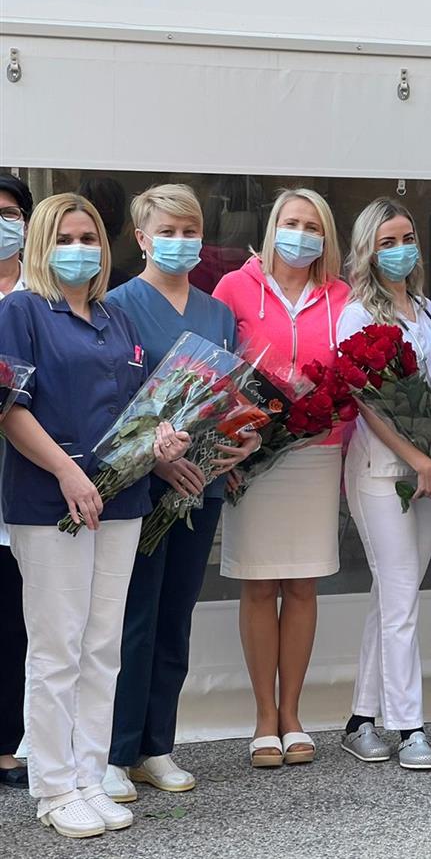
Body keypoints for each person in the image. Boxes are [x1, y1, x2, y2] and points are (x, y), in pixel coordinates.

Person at [0, 193, 188, 838]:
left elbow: (140, 406)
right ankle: (54, 788)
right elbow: (10, 409)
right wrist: (66, 471)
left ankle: (88, 776)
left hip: (122, 500)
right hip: (50, 502)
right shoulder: (21, 312)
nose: (79, 250)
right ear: (41, 245)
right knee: (57, 648)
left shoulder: (116, 317)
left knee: (102, 645)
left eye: (88, 239)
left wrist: (162, 439)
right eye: (65, 238)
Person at [102, 185, 255, 802]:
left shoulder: (216, 313)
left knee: (175, 616)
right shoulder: (116, 306)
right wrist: (157, 462)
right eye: (167, 231)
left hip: (200, 486)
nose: (180, 241)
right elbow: (114, 402)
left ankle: (156, 746)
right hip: (143, 488)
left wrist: (240, 442)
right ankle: (115, 751)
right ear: (142, 239)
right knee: (134, 618)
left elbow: (227, 395)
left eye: (190, 231)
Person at [212, 188, 350, 767]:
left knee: (301, 586)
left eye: (313, 226)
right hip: (249, 456)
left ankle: (292, 714)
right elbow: (212, 371)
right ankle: (263, 717)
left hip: (317, 454)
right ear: (273, 228)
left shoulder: (342, 295)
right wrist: (224, 446)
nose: (301, 235)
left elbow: (354, 374)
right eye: (292, 223)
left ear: (327, 237)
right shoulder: (234, 287)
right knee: (257, 585)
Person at [338, 198, 431, 770]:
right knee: (399, 600)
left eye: (407, 238)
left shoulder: (426, 308)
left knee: (393, 597)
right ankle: (410, 726)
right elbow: (368, 405)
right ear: (367, 251)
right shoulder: (357, 315)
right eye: (386, 242)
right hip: (382, 476)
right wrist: (418, 460)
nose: (400, 250)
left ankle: (360, 720)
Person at [0, 173, 32, 790]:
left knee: (15, 622)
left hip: (31, 476)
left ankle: (7, 746)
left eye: (8, 212)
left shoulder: (43, 294)